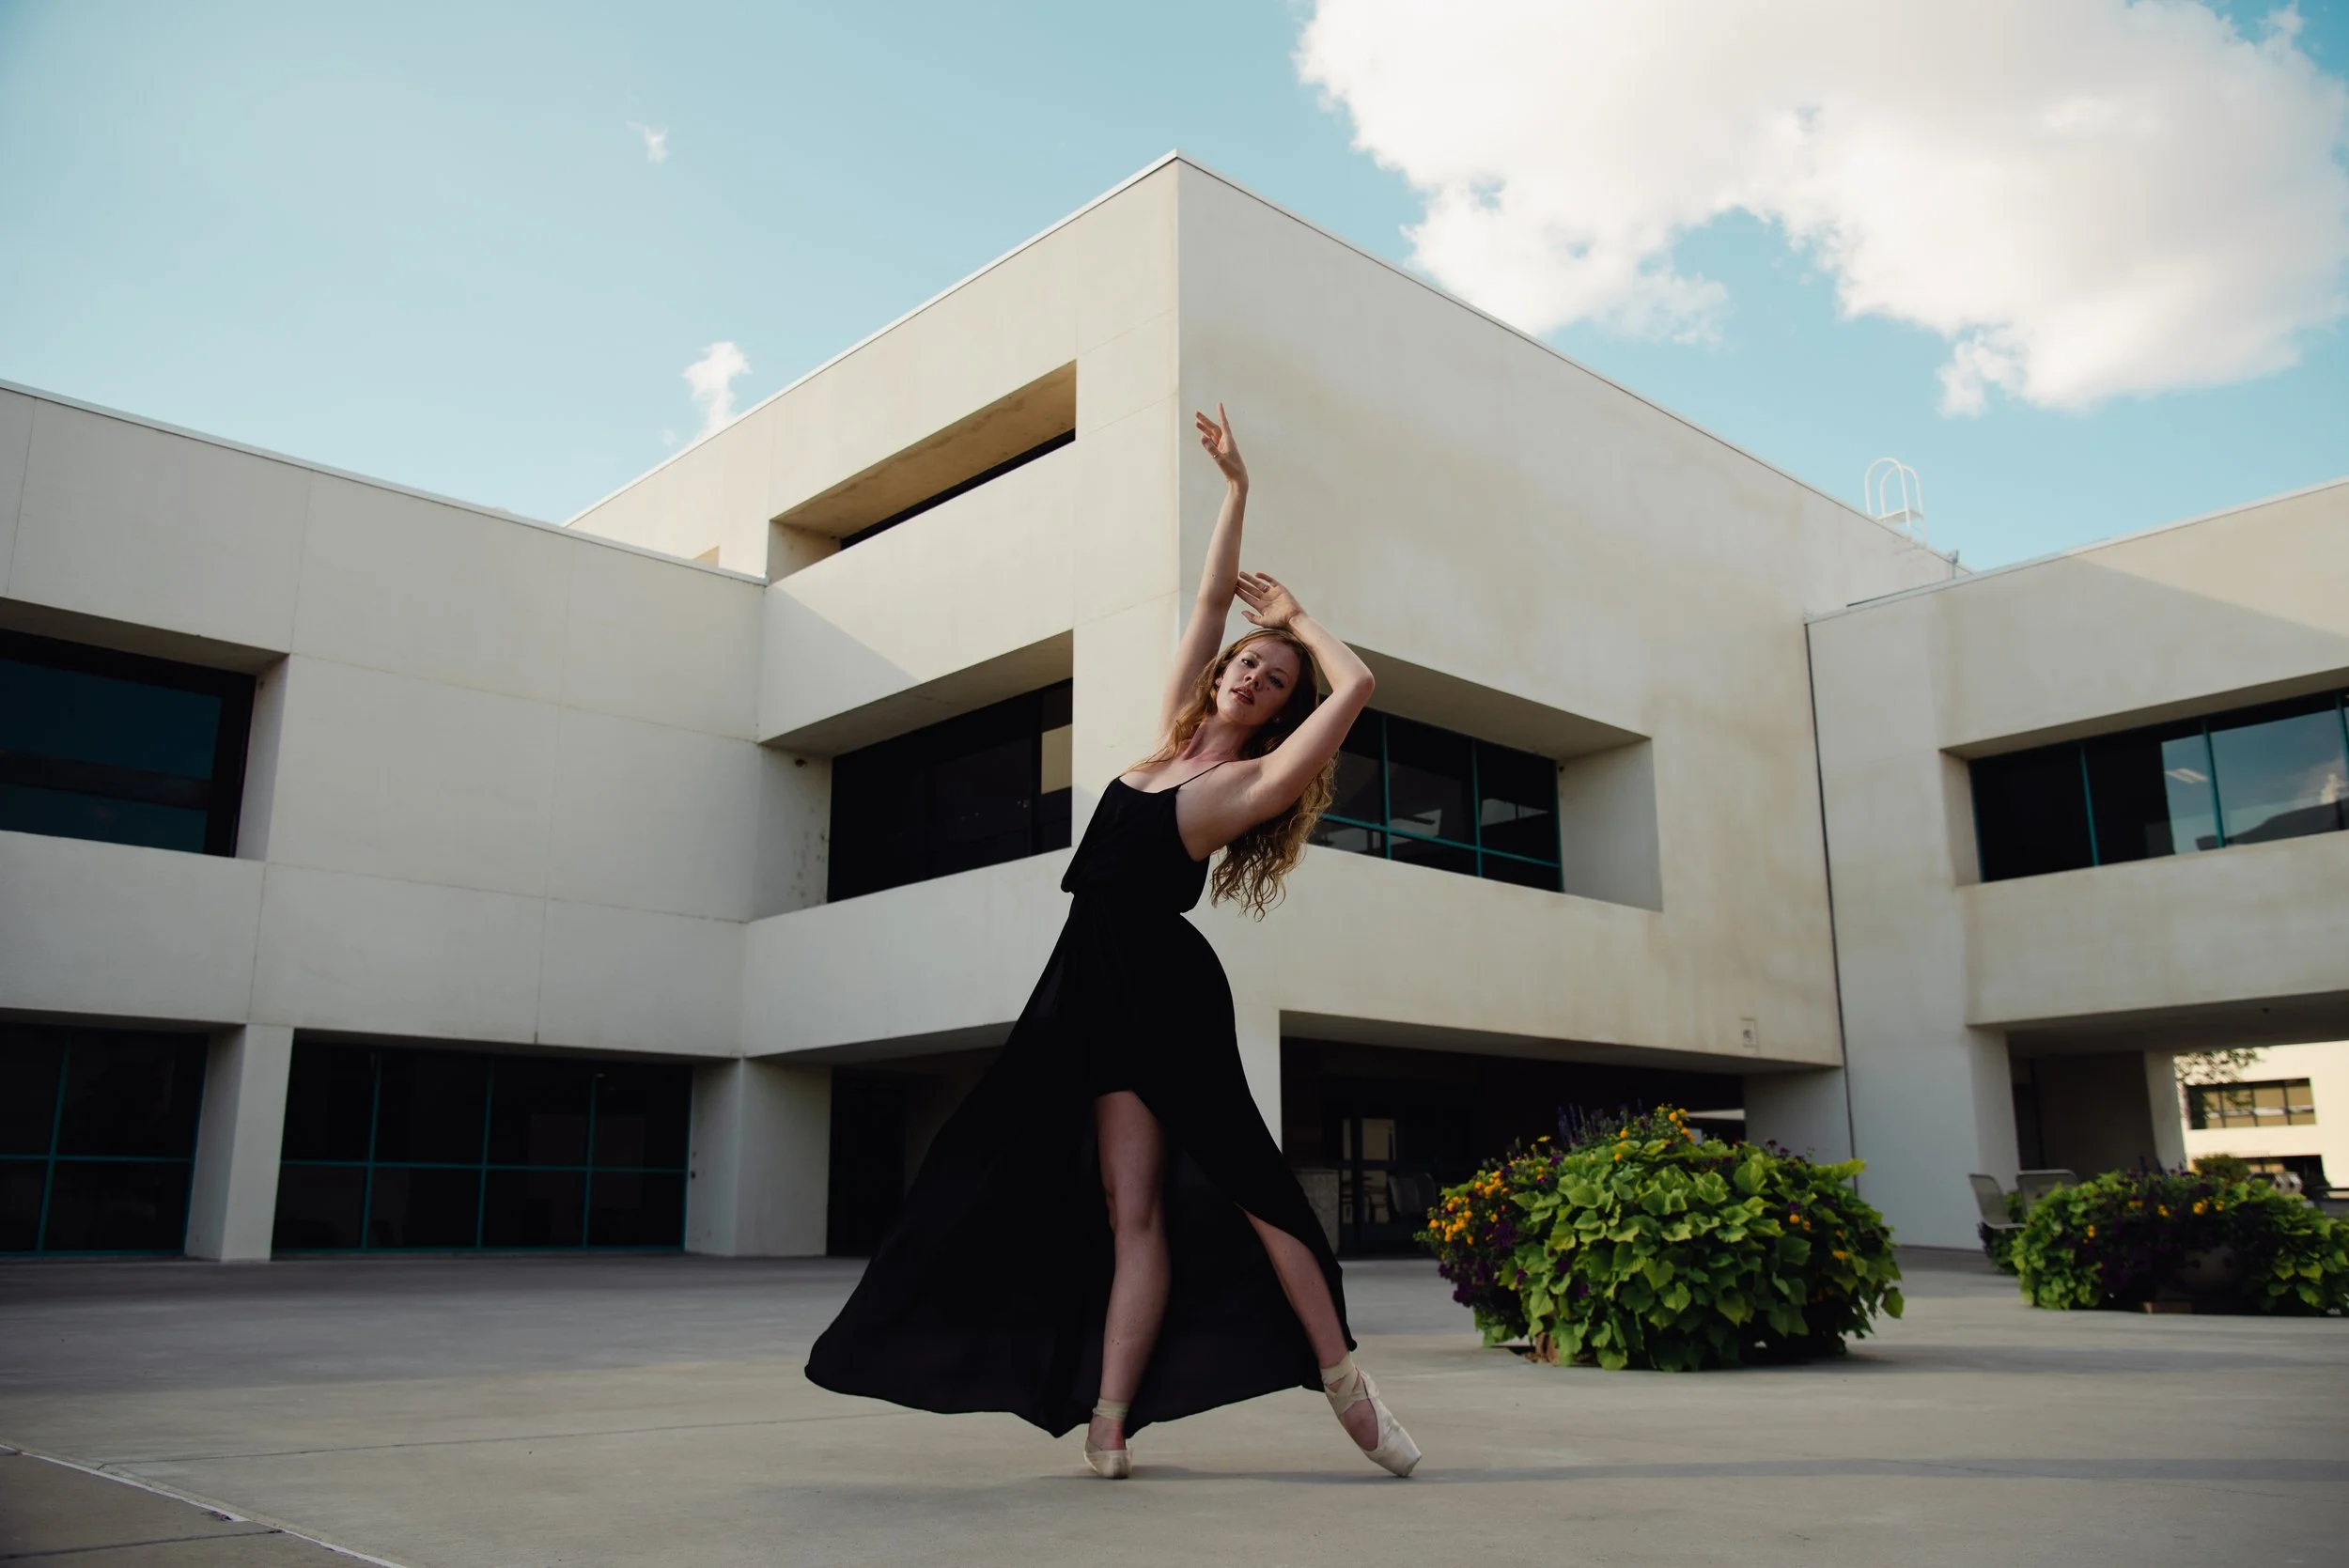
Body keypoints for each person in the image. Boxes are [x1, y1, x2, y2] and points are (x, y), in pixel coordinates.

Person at [805, 404, 1419, 1481]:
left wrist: (1305, 619)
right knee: (1124, 1206)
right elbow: (1204, 599)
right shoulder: (1165, 741)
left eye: (1275, 682)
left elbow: (1358, 685)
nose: (1253, 679)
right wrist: (1235, 488)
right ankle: (1108, 1416)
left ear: (1279, 716)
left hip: (1166, 990)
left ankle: (1344, 1383)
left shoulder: (1244, 784)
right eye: (1248, 665)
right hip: (1086, 983)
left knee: (1254, 1185)